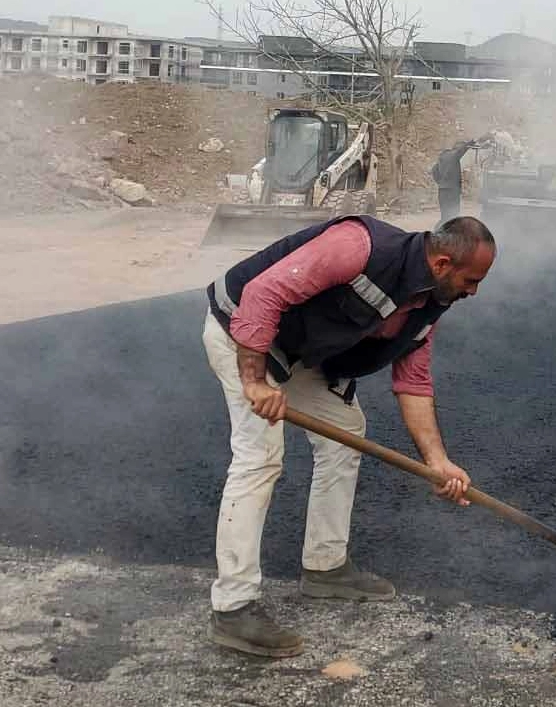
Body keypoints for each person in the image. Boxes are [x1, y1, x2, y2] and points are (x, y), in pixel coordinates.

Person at [202, 214, 496, 657]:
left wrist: (437, 461)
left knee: (345, 431)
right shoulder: (358, 246)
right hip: (242, 333)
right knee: (260, 456)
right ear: (441, 264)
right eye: (472, 280)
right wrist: (255, 381)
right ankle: (233, 607)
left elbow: (413, 382)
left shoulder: (429, 305)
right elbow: (262, 293)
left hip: (299, 351)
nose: (474, 291)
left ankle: (325, 567)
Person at [431, 139, 482, 222]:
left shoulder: (443, 157)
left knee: (445, 216)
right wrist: (471, 142)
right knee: (453, 216)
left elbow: (434, 170)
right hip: (452, 191)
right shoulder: (454, 156)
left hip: (442, 190)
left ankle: (439, 233)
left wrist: (441, 182)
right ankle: (444, 233)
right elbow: (461, 150)